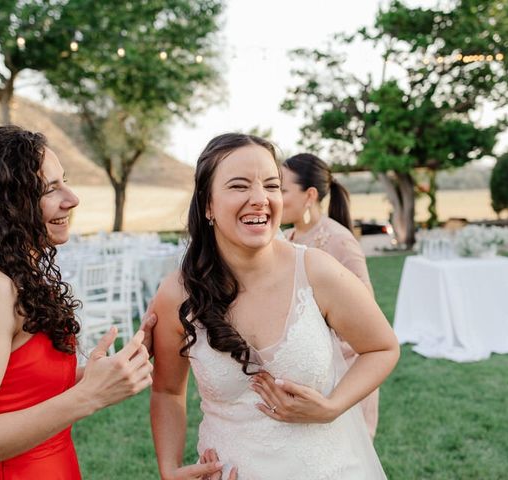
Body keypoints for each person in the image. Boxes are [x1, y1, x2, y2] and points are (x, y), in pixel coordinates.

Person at [0, 126, 189, 479]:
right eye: (50, 189)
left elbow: (24, 392)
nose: (72, 198)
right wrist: (89, 397)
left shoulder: (17, 278)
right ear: (5, 202)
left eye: (64, 182)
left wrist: (109, 373)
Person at [150, 133, 399, 479]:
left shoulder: (316, 271)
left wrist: (333, 406)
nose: (260, 199)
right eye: (239, 186)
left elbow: (383, 347)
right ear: (207, 204)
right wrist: (169, 468)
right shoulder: (177, 294)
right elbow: (166, 391)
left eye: (271, 186)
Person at [280, 152, 379, 438]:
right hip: (302, 373)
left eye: (282, 189)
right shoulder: (286, 239)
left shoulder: (340, 241)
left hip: (342, 375)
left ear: (309, 195)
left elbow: (367, 315)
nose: (273, 196)